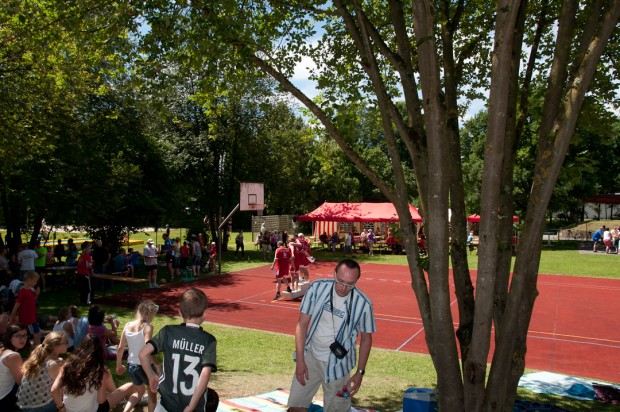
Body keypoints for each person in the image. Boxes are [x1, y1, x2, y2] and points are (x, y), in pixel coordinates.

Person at [287, 259, 375, 412]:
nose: (343, 288)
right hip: (310, 358)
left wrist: (360, 372)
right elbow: (301, 324)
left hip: (338, 366)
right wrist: (300, 360)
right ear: (334, 274)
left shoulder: (363, 304)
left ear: (357, 281)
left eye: (350, 284)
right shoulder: (317, 288)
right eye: (340, 281)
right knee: (296, 406)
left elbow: (366, 339)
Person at [139, 288, 217, 412]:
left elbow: (143, 354)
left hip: (166, 403)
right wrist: (191, 406)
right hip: (194, 405)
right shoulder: (208, 340)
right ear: (204, 313)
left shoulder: (167, 332)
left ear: (180, 313)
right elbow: (205, 374)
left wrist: (151, 375)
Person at [51, 334, 136, 412]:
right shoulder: (100, 370)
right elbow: (101, 400)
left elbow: (54, 389)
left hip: (68, 409)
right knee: (130, 385)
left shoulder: (67, 365)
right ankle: (130, 402)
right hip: (94, 410)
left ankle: (121, 398)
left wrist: (61, 407)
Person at [116, 300, 160, 412]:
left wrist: (118, 365)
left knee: (139, 392)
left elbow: (120, 347)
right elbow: (147, 347)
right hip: (145, 366)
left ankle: (125, 411)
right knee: (152, 395)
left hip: (131, 366)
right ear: (150, 314)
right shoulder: (147, 328)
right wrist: (156, 363)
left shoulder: (127, 325)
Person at [17, 331, 68, 412]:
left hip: (23, 403)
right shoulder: (53, 364)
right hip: (38, 407)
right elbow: (56, 389)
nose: (68, 344)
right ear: (56, 346)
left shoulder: (38, 356)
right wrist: (61, 407)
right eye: (66, 342)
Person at [9, 271, 41, 347]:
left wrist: (36, 295)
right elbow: (16, 306)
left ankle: (35, 348)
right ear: (29, 280)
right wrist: (11, 319)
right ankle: (36, 350)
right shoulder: (23, 292)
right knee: (36, 335)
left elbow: (31, 302)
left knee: (35, 334)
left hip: (32, 318)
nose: (36, 283)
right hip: (28, 319)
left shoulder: (31, 291)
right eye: (35, 281)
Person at [0, 325, 28, 409]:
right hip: (3, 399)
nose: (22, 339)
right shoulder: (13, 356)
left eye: (24, 335)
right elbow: (22, 382)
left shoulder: (3, 350)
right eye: (18, 336)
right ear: (9, 338)